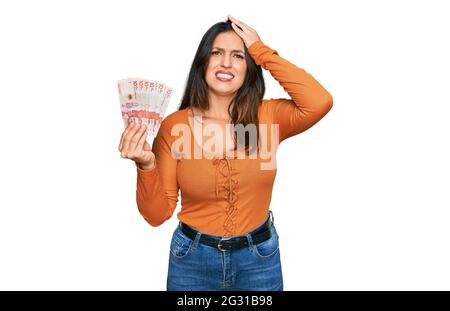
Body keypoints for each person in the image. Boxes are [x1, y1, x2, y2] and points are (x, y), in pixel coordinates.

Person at [118, 15, 333, 291]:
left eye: (238, 56)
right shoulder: (175, 127)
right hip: (192, 261)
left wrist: (261, 50)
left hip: (259, 259)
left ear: (249, 67)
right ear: (203, 62)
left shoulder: (268, 118)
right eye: (217, 53)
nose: (226, 63)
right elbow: (156, 215)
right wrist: (146, 165)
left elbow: (320, 101)